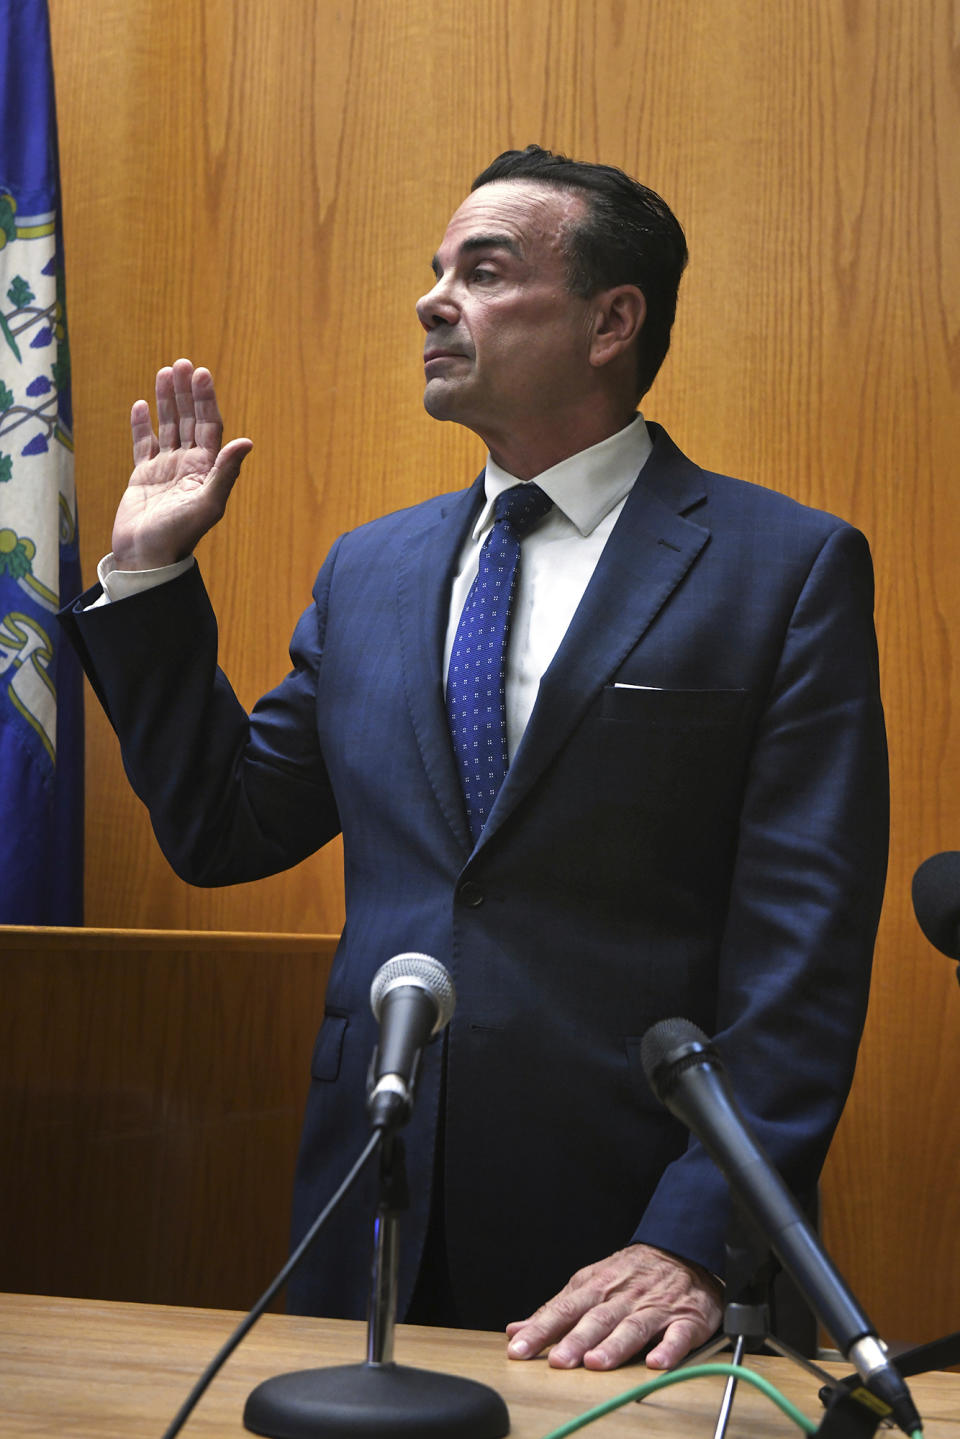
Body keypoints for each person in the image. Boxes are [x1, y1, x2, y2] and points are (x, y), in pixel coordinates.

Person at [60, 146, 888, 1373]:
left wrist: (697, 1237)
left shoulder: (786, 566)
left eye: (484, 271)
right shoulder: (372, 570)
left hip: (643, 1251)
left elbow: (802, 953)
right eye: (436, 270)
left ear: (614, 320)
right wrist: (150, 578)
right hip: (377, 1206)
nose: (432, 298)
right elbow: (224, 827)